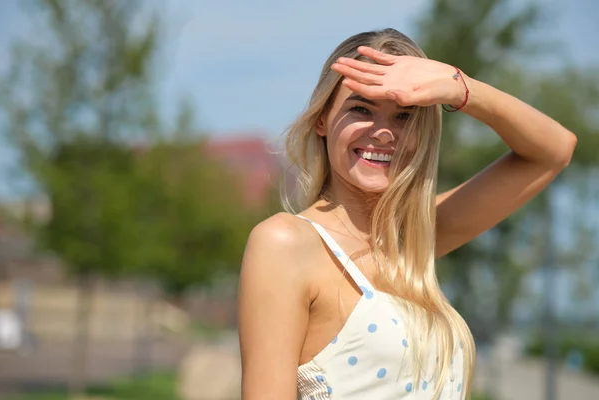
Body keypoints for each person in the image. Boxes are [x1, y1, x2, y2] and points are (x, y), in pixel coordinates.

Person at [237, 28, 577, 400]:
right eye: (361, 108)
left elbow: (555, 150)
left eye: (405, 116)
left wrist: (459, 86)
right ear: (321, 120)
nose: (383, 133)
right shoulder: (286, 244)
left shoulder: (413, 237)